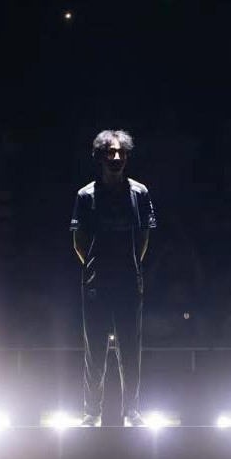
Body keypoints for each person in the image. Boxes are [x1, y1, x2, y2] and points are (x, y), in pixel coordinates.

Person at [71, 130, 157, 427]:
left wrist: (130, 266)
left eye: (121, 152)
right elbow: (79, 241)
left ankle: (132, 411)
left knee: (130, 350)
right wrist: (96, 269)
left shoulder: (139, 193)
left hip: (129, 282)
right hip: (96, 283)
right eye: (110, 152)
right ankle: (91, 412)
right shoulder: (86, 195)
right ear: (100, 156)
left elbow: (144, 237)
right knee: (94, 350)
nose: (116, 157)